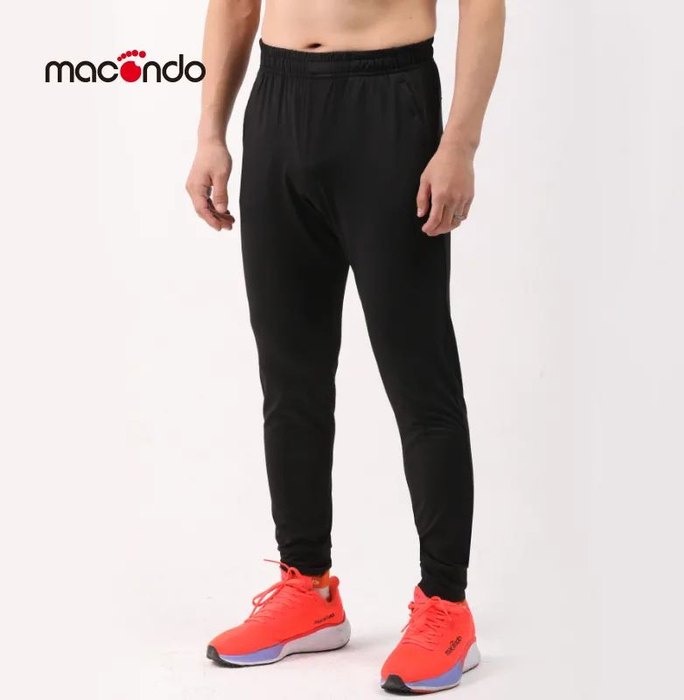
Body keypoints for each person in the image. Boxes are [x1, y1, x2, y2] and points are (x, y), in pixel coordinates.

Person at [186, 0, 505, 692]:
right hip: (277, 103)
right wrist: (211, 132)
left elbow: (483, 7)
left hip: (388, 106)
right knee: (289, 376)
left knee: (419, 377)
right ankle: (307, 589)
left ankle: (446, 606)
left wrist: (460, 143)